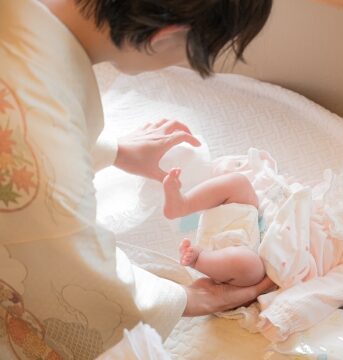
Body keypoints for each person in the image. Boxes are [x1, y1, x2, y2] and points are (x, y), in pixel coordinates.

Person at [0, 0, 272, 357]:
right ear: (165, 37)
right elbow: (67, 265)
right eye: (186, 55)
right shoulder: (37, 135)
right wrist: (186, 297)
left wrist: (112, 151)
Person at [159, 148, 343, 341]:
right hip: (261, 217)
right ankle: (183, 204)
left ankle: (200, 259)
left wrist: (285, 314)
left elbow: (331, 290)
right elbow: (298, 197)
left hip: (269, 262)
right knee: (238, 183)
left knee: (247, 264)